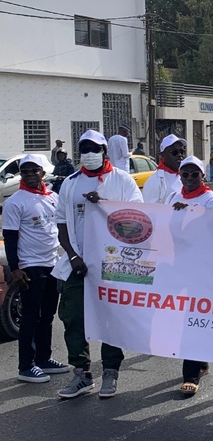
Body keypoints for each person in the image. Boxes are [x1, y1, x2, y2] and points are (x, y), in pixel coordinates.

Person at [53, 130, 143, 399]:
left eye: (95, 148)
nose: (89, 153)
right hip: (77, 265)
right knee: (73, 318)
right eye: (85, 148)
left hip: (112, 264)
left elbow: (137, 219)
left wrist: (104, 203)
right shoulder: (70, 183)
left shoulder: (122, 181)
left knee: (111, 319)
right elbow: (61, 224)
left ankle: (111, 372)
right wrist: (72, 256)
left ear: (104, 150)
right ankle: (82, 374)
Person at [2, 155, 69, 383]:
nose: (30, 174)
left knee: (47, 315)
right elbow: (10, 238)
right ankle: (26, 366)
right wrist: (15, 268)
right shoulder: (15, 202)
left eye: (34, 170)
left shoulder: (53, 197)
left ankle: (43, 359)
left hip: (52, 263)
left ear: (43, 172)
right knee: (31, 316)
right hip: (31, 265)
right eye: (26, 171)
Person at [166, 156, 213, 396]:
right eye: (184, 174)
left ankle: (190, 374)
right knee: (179, 317)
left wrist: (190, 211)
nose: (189, 179)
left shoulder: (211, 199)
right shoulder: (173, 197)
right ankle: (201, 360)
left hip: (204, 267)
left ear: (203, 176)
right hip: (179, 265)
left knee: (193, 318)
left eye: (194, 174)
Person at [141, 135, 186, 204]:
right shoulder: (155, 181)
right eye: (174, 152)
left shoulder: (187, 177)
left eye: (182, 152)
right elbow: (149, 211)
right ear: (162, 155)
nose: (180, 155)